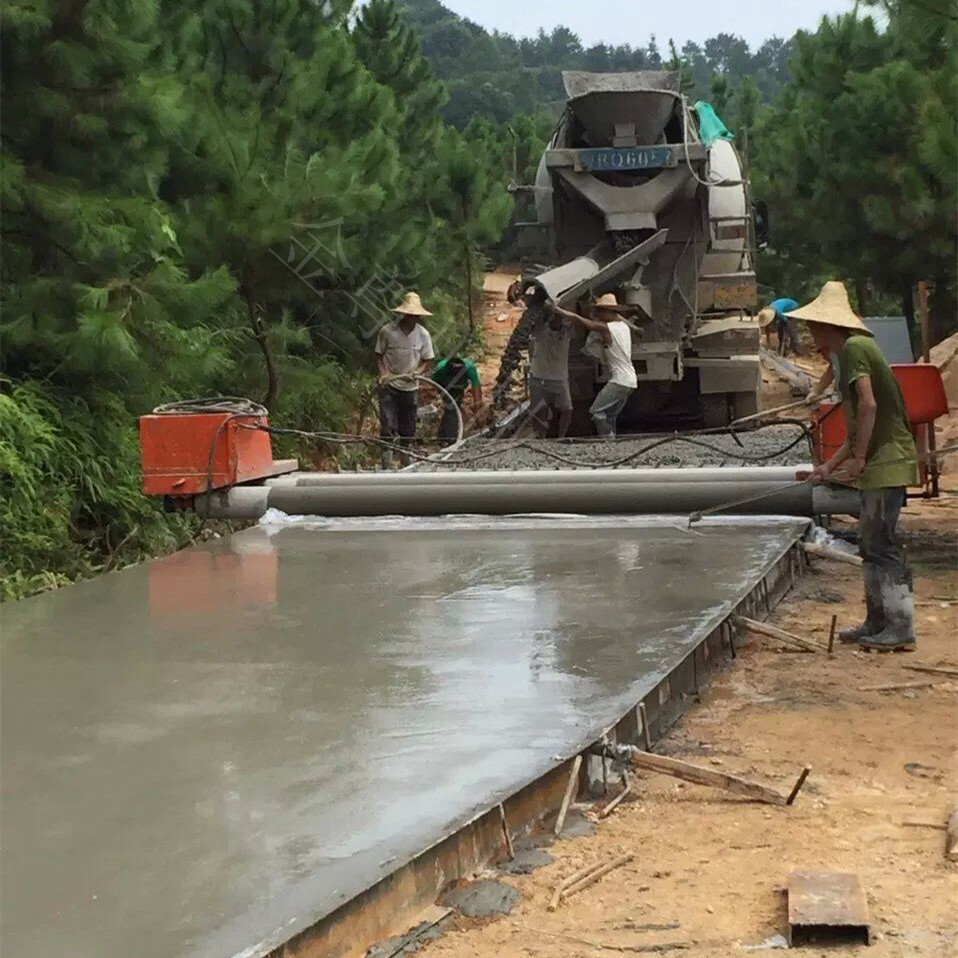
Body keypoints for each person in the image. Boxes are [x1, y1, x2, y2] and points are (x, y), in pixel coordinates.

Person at [793, 281, 919, 651]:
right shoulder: (850, 351)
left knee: (881, 543)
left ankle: (900, 626)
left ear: (831, 327)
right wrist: (826, 468)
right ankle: (877, 621)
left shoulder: (854, 348)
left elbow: (869, 406)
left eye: (815, 326)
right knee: (869, 542)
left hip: (888, 460)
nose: (812, 334)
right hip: (878, 460)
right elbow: (853, 432)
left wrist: (861, 459)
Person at [548, 293, 637, 437]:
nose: (599, 314)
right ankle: (613, 445)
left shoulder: (606, 328)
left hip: (619, 381)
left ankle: (607, 442)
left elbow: (580, 320)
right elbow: (615, 318)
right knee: (609, 415)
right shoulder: (623, 326)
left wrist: (557, 310)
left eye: (601, 311)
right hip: (631, 380)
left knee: (597, 413)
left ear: (610, 312)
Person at [375, 291, 435, 468]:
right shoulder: (387, 331)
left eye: (415, 315)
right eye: (409, 314)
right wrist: (383, 374)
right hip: (390, 385)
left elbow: (427, 359)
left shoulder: (423, 335)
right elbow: (378, 355)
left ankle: (406, 462)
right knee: (387, 424)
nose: (412, 318)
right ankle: (386, 463)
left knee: (408, 427)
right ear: (404, 314)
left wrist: (418, 372)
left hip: (410, 387)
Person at [528, 309, 573, 438]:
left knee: (567, 410)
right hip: (539, 376)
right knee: (539, 410)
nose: (557, 320)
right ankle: (540, 437)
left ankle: (561, 437)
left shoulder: (567, 332)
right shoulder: (540, 331)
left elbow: (576, 319)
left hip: (560, 378)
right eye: (555, 317)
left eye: (560, 318)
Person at [432, 355, 483, 444]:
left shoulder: (470, 368)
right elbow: (432, 383)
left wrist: (478, 415)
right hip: (443, 384)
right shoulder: (439, 370)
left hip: (459, 387)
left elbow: (477, 393)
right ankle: (449, 440)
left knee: (453, 408)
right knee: (451, 409)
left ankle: (443, 436)